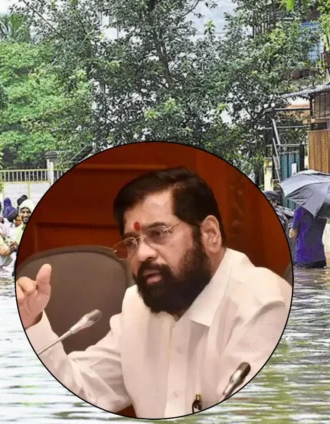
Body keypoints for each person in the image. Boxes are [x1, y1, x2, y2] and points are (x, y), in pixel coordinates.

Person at [17, 167, 291, 419]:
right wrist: (31, 320)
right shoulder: (138, 305)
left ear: (210, 234)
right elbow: (84, 388)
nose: (143, 254)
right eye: (132, 242)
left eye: (159, 233)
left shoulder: (263, 305)